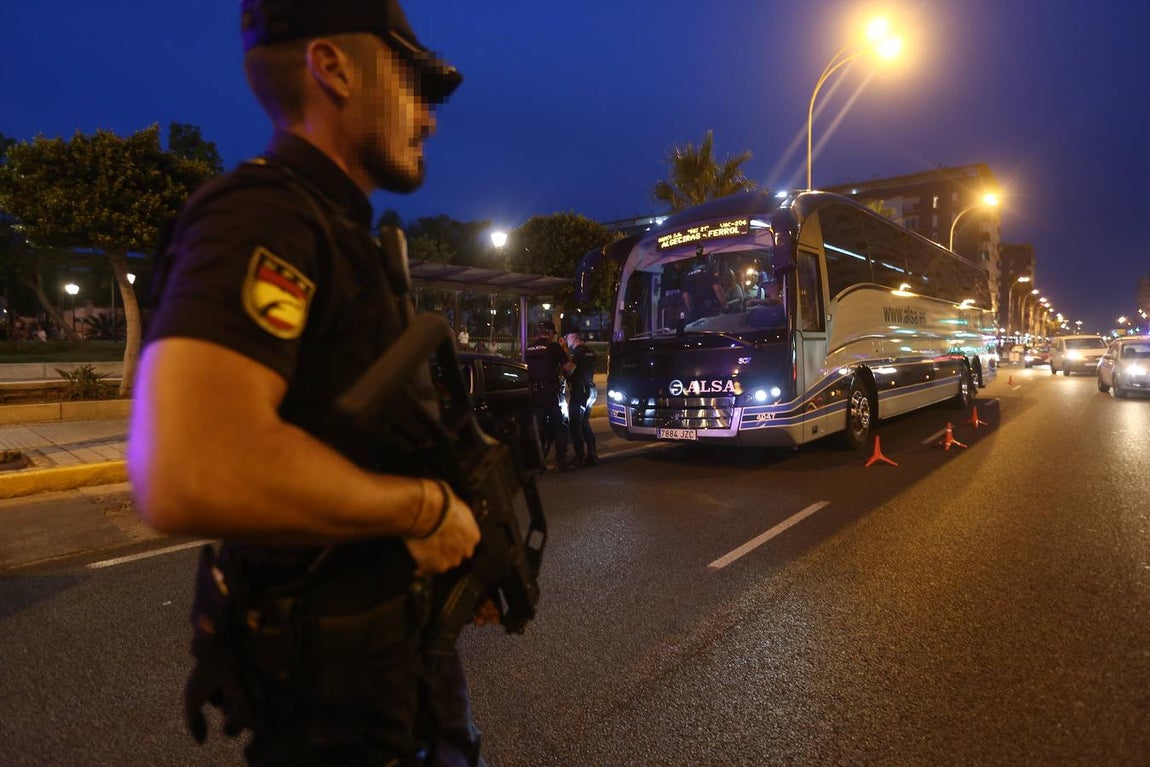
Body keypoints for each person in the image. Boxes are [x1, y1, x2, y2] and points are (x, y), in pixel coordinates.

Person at [128, 2, 488, 764]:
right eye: (412, 86)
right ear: (333, 67)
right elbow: (191, 466)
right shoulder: (265, 214)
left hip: (394, 690)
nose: (429, 121)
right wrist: (424, 510)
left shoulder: (333, 230)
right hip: (335, 719)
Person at [525, 320, 574, 471]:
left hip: (534, 393)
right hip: (550, 393)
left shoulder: (530, 348)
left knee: (538, 429)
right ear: (551, 333)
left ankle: (539, 464)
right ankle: (560, 462)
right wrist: (566, 351)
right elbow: (569, 369)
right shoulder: (554, 347)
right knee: (560, 426)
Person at [564, 331, 598, 466]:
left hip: (580, 392)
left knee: (574, 424)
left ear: (574, 338)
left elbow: (570, 370)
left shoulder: (578, 353)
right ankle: (592, 451)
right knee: (584, 422)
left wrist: (564, 366)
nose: (567, 342)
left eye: (568, 339)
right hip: (591, 390)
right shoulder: (591, 352)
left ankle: (579, 455)